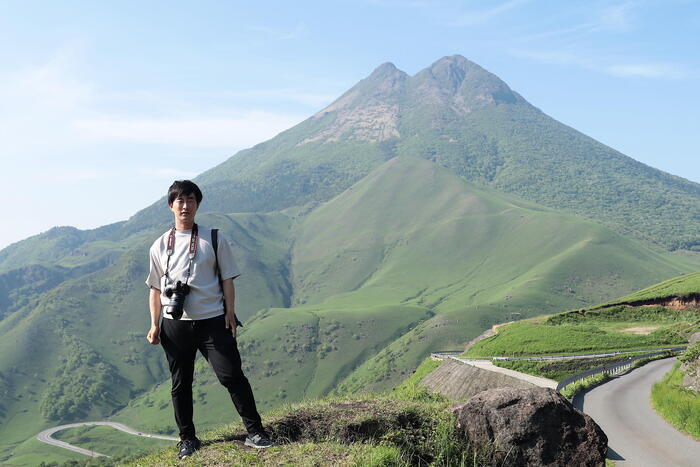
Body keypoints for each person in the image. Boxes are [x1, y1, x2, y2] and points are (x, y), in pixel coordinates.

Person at [145, 180, 273, 459]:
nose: (185, 206)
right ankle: (187, 439)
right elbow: (155, 289)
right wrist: (155, 324)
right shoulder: (158, 245)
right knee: (181, 383)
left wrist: (230, 312)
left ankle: (256, 432)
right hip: (174, 323)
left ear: (197, 205)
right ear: (170, 206)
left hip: (212, 319)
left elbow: (228, 278)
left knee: (232, 375)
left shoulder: (213, 237)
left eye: (190, 200)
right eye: (179, 201)